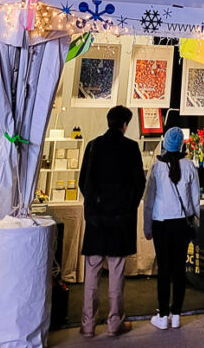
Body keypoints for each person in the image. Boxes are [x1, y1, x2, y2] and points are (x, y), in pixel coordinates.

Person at [79, 105, 146, 337]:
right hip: (120, 221)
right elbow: (139, 183)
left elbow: (83, 182)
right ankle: (114, 323)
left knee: (92, 272)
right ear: (125, 125)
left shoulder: (93, 146)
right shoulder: (131, 148)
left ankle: (87, 325)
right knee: (117, 273)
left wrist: (95, 205)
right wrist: (127, 207)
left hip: (96, 220)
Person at [144, 127, 201, 330]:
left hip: (161, 223)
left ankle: (162, 315)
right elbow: (195, 199)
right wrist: (197, 222)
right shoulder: (190, 166)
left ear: (164, 143)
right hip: (182, 224)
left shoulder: (156, 167)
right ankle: (176, 314)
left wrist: (146, 225)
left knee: (164, 269)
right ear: (181, 144)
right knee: (179, 269)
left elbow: (148, 200)